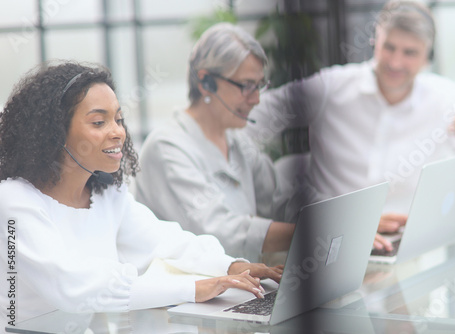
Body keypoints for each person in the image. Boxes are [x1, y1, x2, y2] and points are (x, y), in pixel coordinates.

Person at [0, 61, 283, 325]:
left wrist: (229, 266)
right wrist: (192, 288)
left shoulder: (107, 196)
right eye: (99, 122)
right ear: (55, 133)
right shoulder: (14, 201)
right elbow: (71, 286)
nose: (118, 132)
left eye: (119, 119)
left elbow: (165, 241)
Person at [243, 0, 455, 251]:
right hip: (331, 240)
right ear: (374, 41)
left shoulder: (445, 99)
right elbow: (250, 117)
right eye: (388, 47)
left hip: (404, 246)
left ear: (427, 57)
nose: (395, 63)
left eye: (410, 53)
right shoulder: (332, 87)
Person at [133, 23, 295, 263]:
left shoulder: (236, 139)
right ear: (206, 81)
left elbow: (280, 199)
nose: (256, 99)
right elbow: (218, 232)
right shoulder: (166, 147)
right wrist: (306, 233)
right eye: (247, 86)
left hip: (241, 286)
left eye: (260, 85)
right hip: (192, 295)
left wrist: (334, 218)